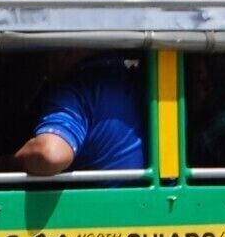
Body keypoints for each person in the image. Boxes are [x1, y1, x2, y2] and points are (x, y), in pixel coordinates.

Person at [12, 51, 146, 176]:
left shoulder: (75, 90)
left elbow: (50, 154)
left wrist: (6, 165)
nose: (44, 61)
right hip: (145, 198)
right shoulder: (146, 81)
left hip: (94, 199)